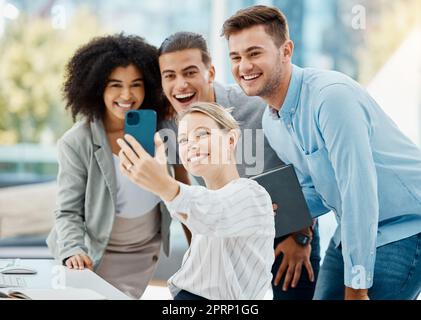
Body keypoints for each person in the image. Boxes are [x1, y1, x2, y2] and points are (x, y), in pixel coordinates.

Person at [222, 5, 421, 300]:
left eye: (254, 53)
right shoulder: (272, 119)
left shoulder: (331, 98)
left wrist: (356, 287)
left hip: (405, 227)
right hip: (352, 231)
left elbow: (358, 192)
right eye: (236, 57)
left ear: (286, 51)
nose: (244, 66)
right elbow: (315, 190)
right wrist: (263, 213)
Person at [157, 32, 320, 300]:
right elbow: (188, 192)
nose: (180, 84)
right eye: (169, 75)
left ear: (210, 72)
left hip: (290, 232)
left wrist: (302, 236)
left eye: (189, 72)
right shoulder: (173, 123)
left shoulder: (255, 105)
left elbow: (305, 167)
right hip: (224, 231)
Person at [46, 34, 170, 299]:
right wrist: (73, 249)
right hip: (94, 254)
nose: (127, 95)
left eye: (136, 84)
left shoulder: (159, 131)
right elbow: (67, 211)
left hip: (143, 253)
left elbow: (178, 190)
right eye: (116, 85)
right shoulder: (76, 142)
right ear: (97, 87)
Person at [117, 102, 275, 300]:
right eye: (183, 140)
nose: (191, 144)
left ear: (231, 140)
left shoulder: (253, 195)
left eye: (202, 134)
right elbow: (197, 209)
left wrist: (163, 184)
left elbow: (213, 211)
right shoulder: (204, 200)